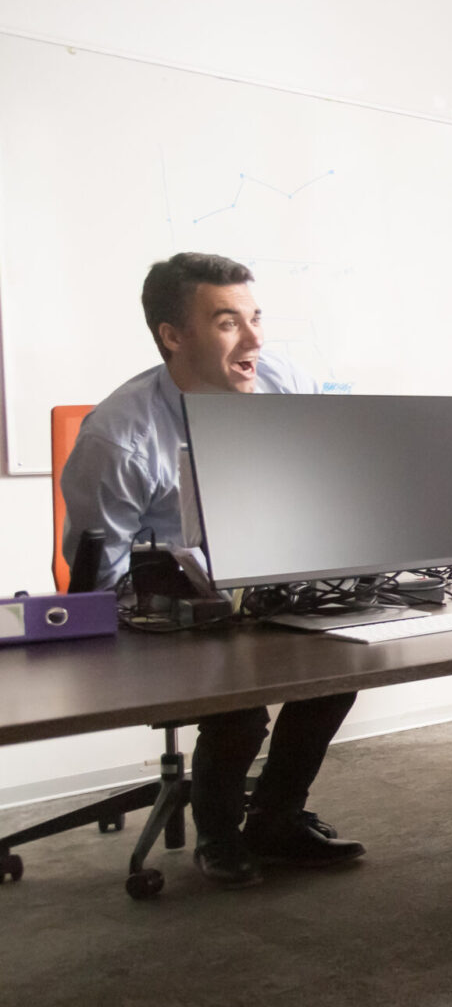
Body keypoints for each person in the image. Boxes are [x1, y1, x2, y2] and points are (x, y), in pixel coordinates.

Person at [61, 252, 365, 888]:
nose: (255, 339)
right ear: (174, 336)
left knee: (341, 667)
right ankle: (219, 837)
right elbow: (98, 581)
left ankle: (277, 820)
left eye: (256, 319)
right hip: (172, 607)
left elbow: (327, 480)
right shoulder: (118, 438)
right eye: (229, 323)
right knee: (240, 700)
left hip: (272, 581)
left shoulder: (282, 383)